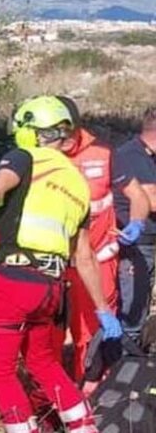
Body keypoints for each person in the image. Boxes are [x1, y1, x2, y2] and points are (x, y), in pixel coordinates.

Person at [0, 96, 122, 433]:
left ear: (30, 131)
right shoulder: (76, 183)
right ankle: (84, 427)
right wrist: (103, 309)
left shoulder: (25, 158)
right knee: (44, 362)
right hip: (53, 289)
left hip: (14, 280)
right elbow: (84, 256)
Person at [53, 96, 149, 381]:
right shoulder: (40, 157)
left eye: (68, 130)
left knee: (92, 332)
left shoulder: (103, 155)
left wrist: (136, 222)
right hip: (53, 262)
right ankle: (51, 393)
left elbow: (138, 196)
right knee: (49, 333)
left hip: (98, 261)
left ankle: (90, 390)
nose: (64, 139)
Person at [114, 106, 156, 339]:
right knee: (132, 307)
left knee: (140, 301)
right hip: (134, 244)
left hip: (145, 243)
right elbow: (151, 201)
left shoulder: (148, 157)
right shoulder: (133, 156)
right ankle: (122, 364)